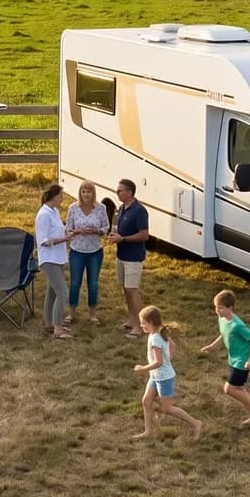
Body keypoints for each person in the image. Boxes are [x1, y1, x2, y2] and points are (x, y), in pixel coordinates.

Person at [132, 304, 202, 440]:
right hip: (156, 375)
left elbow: (158, 362)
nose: (141, 326)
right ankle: (148, 431)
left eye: (143, 323)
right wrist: (168, 358)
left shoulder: (155, 339)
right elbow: (172, 346)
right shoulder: (159, 331)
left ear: (151, 322)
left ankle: (196, 423)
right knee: (146, 402)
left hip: (164, 378)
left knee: (167, 409)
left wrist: (143, 369)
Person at [199, 289, 250, 427]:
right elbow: (223, 334)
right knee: (239, 389)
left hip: (242, 361)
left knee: (229, 389)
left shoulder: (237, 325)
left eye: (220, 308)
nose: (217, 310)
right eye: (216, 307)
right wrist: (212, 346)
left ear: (230, 308)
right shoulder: (222, 319)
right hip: (233, 359)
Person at [105, 178, 150, 338]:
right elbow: (117, 228)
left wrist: (123, 239)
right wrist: (114, 236)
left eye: (120, 190)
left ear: (130, 192)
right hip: (121, 255)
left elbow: (144, 234)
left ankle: (141, 325)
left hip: (133, 257)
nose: (117, 193)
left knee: (132, 290)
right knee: (125, 289)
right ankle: (131, 320)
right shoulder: (121, 209)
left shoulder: (139, 211)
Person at [65, 181, 110, 325]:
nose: (86, 194)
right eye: (83, 191)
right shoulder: (73, 208)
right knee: (75, 282)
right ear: (80, 193)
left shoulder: (101, 208)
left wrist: (96, 231)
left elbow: (106, 227)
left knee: (93, 283)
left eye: (88, 192)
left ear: (93, 193)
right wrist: (77, 231)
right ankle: (71, 313)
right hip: (77, 250)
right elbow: (68, 229)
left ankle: (92, 314)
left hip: (95, 251)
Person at [34, 182, 72, 339]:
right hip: (49, 259)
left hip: (58, 257)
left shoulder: (54, 211)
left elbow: (57, 230)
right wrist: (65, 238)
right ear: (53, 196)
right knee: (62, 293)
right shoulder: (43, 215)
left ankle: (48, 322)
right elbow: (43, 240)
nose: (62, 198)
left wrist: (67, 233)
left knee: (52, 291)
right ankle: (58, 329)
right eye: (61, 195)